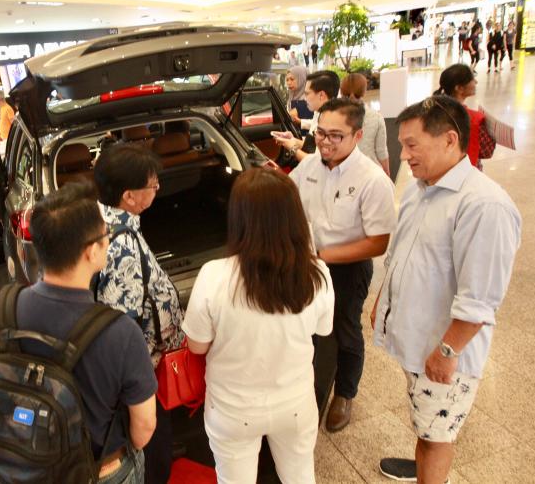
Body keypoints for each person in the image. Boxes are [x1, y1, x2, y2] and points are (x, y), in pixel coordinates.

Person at [374, 96, 521, 484]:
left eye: (412, 144)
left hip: (442, 354)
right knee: (427, 428)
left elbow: (481, 298)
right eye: (402, 144)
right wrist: (382, 302)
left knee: (438, 437)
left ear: (450, 140)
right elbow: (399, 255)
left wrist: (447, 352)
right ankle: (422, 465)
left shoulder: (484, 205)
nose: (404, 155)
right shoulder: (421, 189)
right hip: (417, 341)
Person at [0, 182, 158, 483]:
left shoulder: (3, 307)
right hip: (99, 469)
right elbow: (144, 427)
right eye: (106, 236)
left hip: (23, 462)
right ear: (91, 251)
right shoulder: (120, 332)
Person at [183, 168, 334, 484]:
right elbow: (322, 331)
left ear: (238, 217)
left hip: (233, 410)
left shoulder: (213, 275)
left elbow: (196, 345)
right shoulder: (317, 273)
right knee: (300, 477)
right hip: (296, 404)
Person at [288, 98, 396, 432]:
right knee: (308, 328)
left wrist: (323, 257)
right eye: (321, 133)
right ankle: (307, 387)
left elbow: (379, 242)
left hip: (348, 267)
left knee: (346, 330)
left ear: (358, 135)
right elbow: (286, 197)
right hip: (309, 264)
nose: (324, 141)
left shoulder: (372, 180)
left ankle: (345, 394)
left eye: (336, 135)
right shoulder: (309, 167)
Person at [94, 145, 184, 484]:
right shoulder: (121, 245)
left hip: (136, 363)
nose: (157, 186)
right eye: (152, 183)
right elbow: (122, 326)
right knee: (152, 443)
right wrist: (137, 380)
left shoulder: (104, 219)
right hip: (136, 367)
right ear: (130, 196)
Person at [273, 70, 340, 162]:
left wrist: (292, 147)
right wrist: (292, 139)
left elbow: (317, 163)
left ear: (321, 95)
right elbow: (311, 146)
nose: (305, 98)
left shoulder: (332, 124)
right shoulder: (319, 113)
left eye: (307, 94)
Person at [433, 63, 488, 170]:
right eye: (472, 79)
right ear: (459, 88)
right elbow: (485, 151)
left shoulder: (433, 109)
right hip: (464, 171)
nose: (476, 82)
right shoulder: (472, 118)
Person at [340, 73, 390, 176]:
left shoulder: (336, 117)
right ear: (364, 91)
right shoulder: (376, 117)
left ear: (342, 92)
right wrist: (387, 173)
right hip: (372, 171)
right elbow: (381, 151)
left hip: (343, 171)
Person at [286, 66, 313, 136]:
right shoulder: (290, 99)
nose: (289, 83)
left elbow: (318, 124)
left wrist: (300, 121)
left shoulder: (311, 100)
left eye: (292, 79)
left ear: (302, 79)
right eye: (287, 80)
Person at [0, 89, 15, 158]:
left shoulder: (7, 108)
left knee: (3, 157)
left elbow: (13, 124)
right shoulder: (2, 108)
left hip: (7, 139)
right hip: (4, 138)